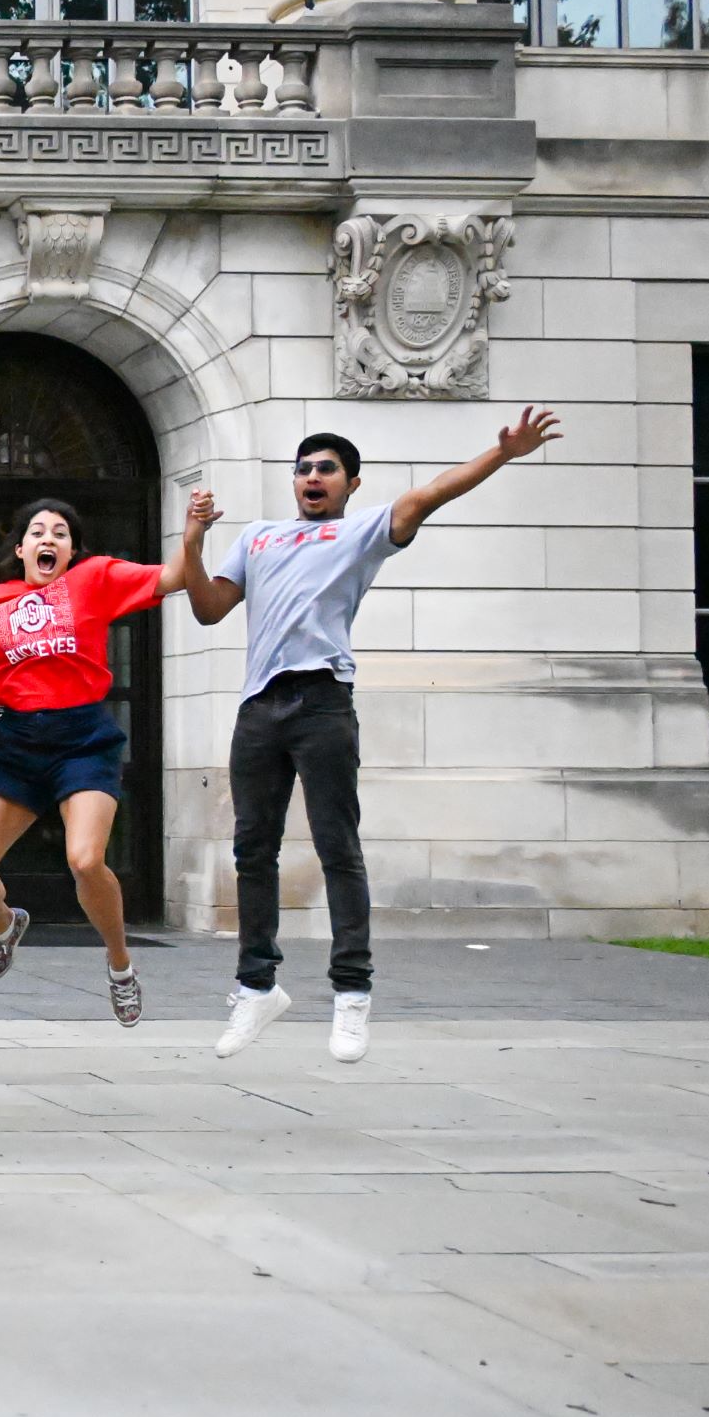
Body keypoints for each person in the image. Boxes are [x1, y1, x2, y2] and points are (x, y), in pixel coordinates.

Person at [187, 410, 562, 1063]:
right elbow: (208, 608)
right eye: (303, 469)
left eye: (326, 469)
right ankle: (257, 987)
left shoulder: (360, 531)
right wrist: (191, 542)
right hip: (259, 708)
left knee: (338, 848)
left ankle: (352, 995)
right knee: (253, 851)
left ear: (351, 484)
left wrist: (500, 455)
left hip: (322, 702)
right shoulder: (259, 538)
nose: (312, 478)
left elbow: (432, 493)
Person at [0, 490, 220, 1025]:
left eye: (60, 534)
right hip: (18, 743)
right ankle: (5, 926)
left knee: (86, 860)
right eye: (38, 532)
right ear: (20, 549)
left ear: (71, 551)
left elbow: (176, 575)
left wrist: (193, 533)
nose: (48, 539)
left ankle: (120, 968)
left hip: (82, 738)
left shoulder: (95, 579)